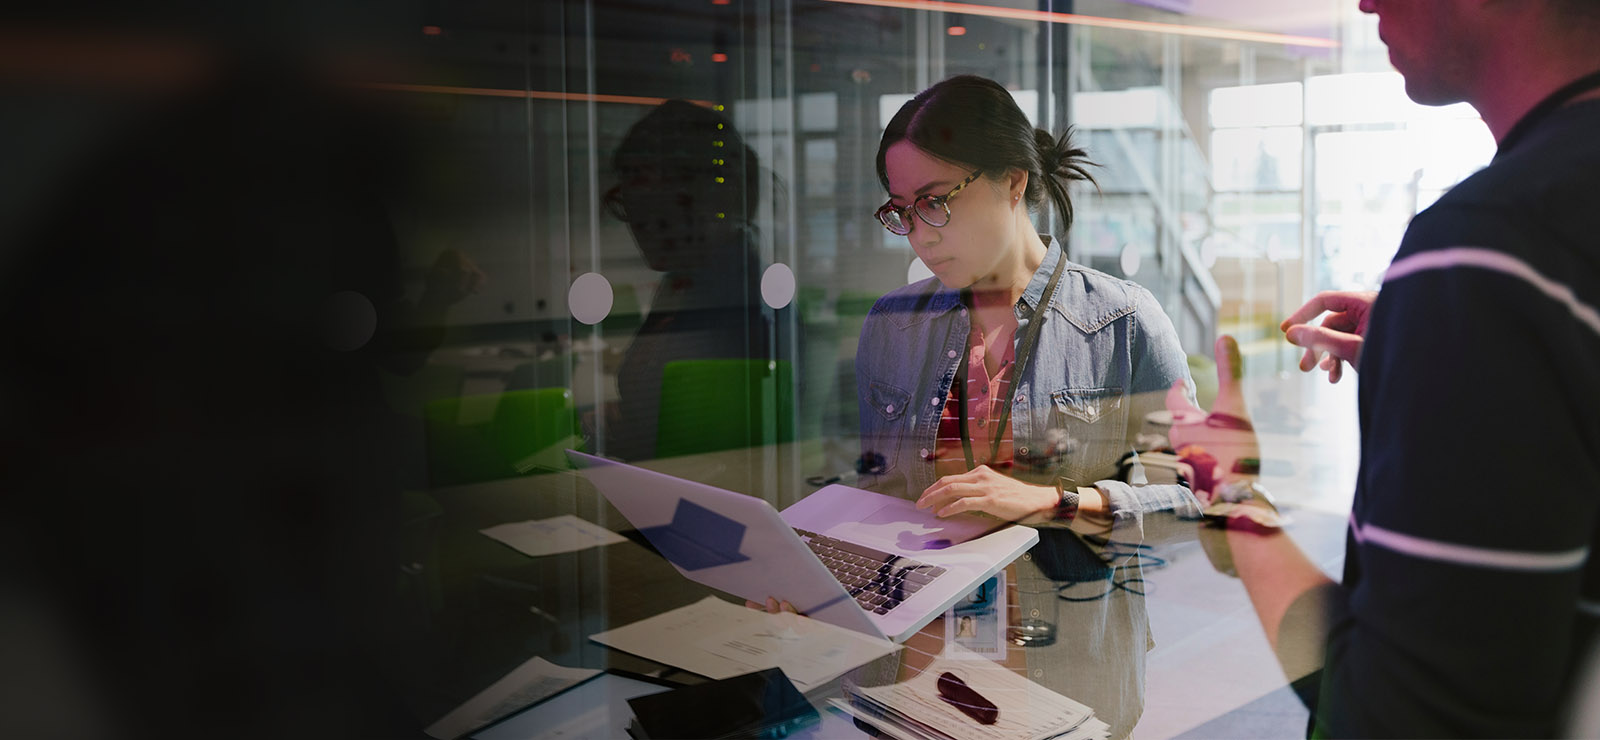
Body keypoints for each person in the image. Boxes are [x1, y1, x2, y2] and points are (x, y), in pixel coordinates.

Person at [1176, 0, 1600, 734]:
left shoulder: (1492, 246)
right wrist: (1441, 355)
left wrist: (1230, 493)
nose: (1365, 1)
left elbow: (1401, 717)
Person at [852, 74, 1204, 738]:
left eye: (935, 202)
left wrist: (1051, 503)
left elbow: (1192, 498)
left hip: (1062, 678)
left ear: (1014, 182)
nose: (917, 235)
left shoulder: (1123, 322)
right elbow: (876, 492)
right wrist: (815, 576)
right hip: (916, 674)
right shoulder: (891, 326)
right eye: (900, 209)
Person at [592, 100, 793, 461]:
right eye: (634, 211)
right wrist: (628, 418)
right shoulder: (686, 281)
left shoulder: (740, 299)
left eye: (658, 214)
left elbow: (723, 448)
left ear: (709, 201)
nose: (643, 231)